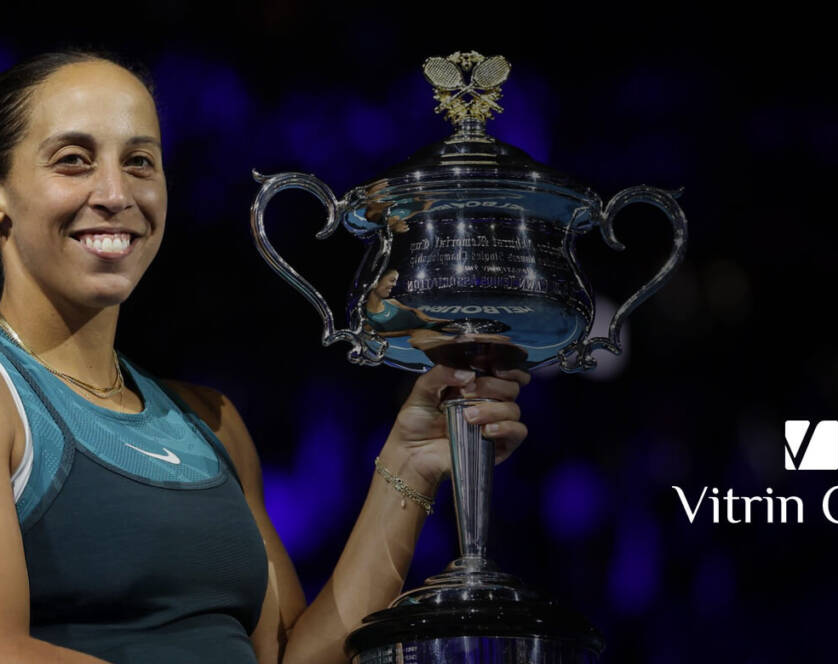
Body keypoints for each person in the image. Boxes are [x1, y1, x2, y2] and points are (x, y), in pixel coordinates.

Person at [0, 51, 529, 664]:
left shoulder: (212, 424)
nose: (116, 193)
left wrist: (411, 462)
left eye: (140, 162)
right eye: (73, 160)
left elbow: (293, 660)